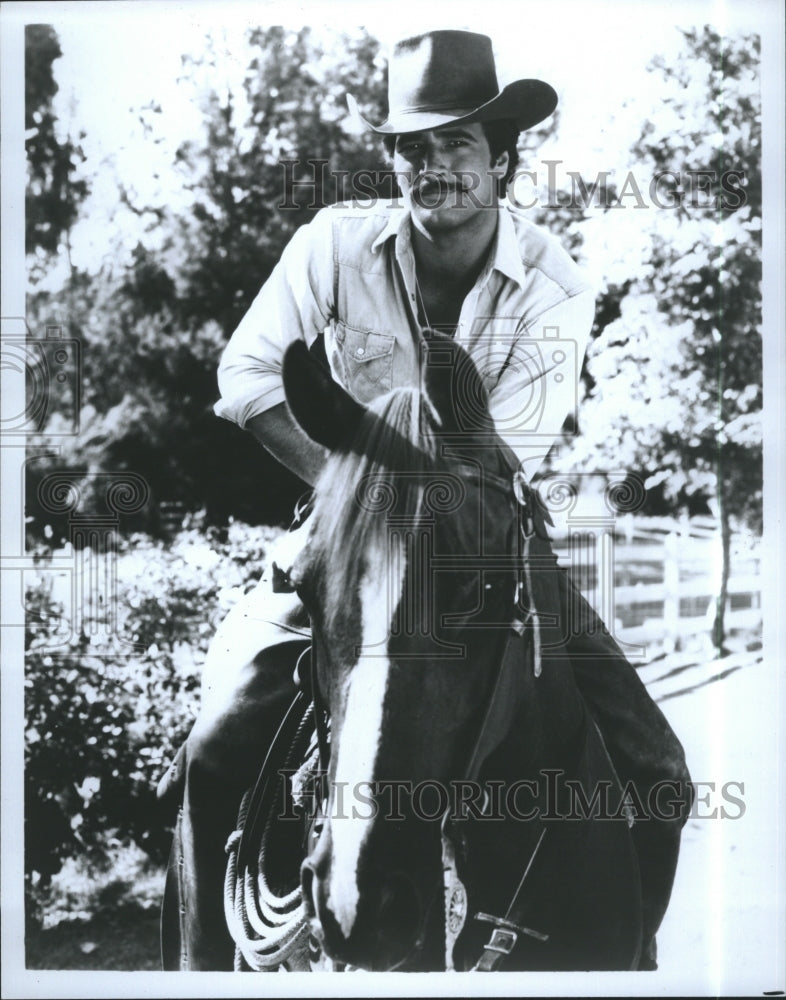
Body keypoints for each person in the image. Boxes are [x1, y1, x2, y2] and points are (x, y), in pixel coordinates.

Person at [158, 29, 692, 971]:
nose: (432, 165)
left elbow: (508, 448)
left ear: (504, 159)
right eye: (412, 146)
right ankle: (198, 970)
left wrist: (391, 494)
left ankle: (622, 961)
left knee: (657, 770)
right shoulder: (331, 244)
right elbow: (246, 374)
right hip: (345, 545)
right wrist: (345, 493)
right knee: (215, 748)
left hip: (490, 541)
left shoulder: (557, 287)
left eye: (456, 143)